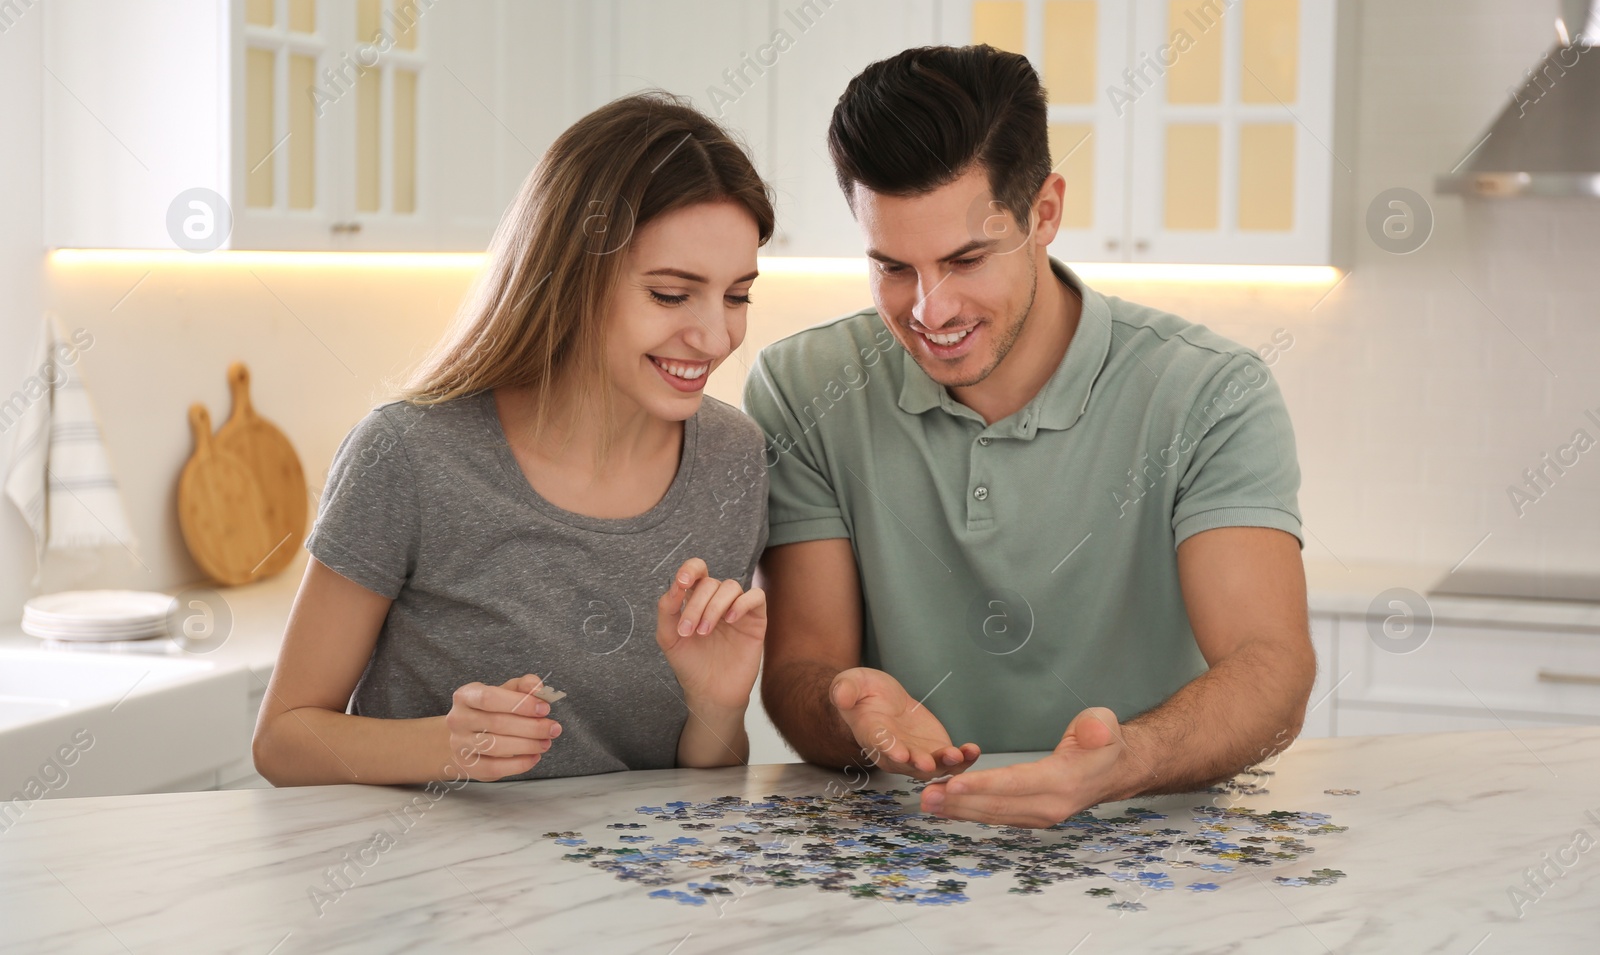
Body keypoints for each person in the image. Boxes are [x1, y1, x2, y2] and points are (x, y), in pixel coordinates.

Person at [746, 45, 1315, 828]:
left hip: (1149, 838)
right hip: (906, 846)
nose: (930, 311)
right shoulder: (803, 387)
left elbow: (1271, 667)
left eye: (966, 259)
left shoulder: (1211, 394)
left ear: (1044, 211)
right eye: (893, 267)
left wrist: (1125, 763)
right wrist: (844, 707)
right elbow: (805, 667)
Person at [254, 92, 773, 786]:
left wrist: (717, 707)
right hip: (427, 884)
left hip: (639, 888)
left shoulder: (733, 459)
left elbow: (704, 783)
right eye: (672, 295)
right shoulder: (408, 454)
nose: (716, 337)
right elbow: (283, 739)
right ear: (573, 278)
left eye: (737, 295)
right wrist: (440, 745)